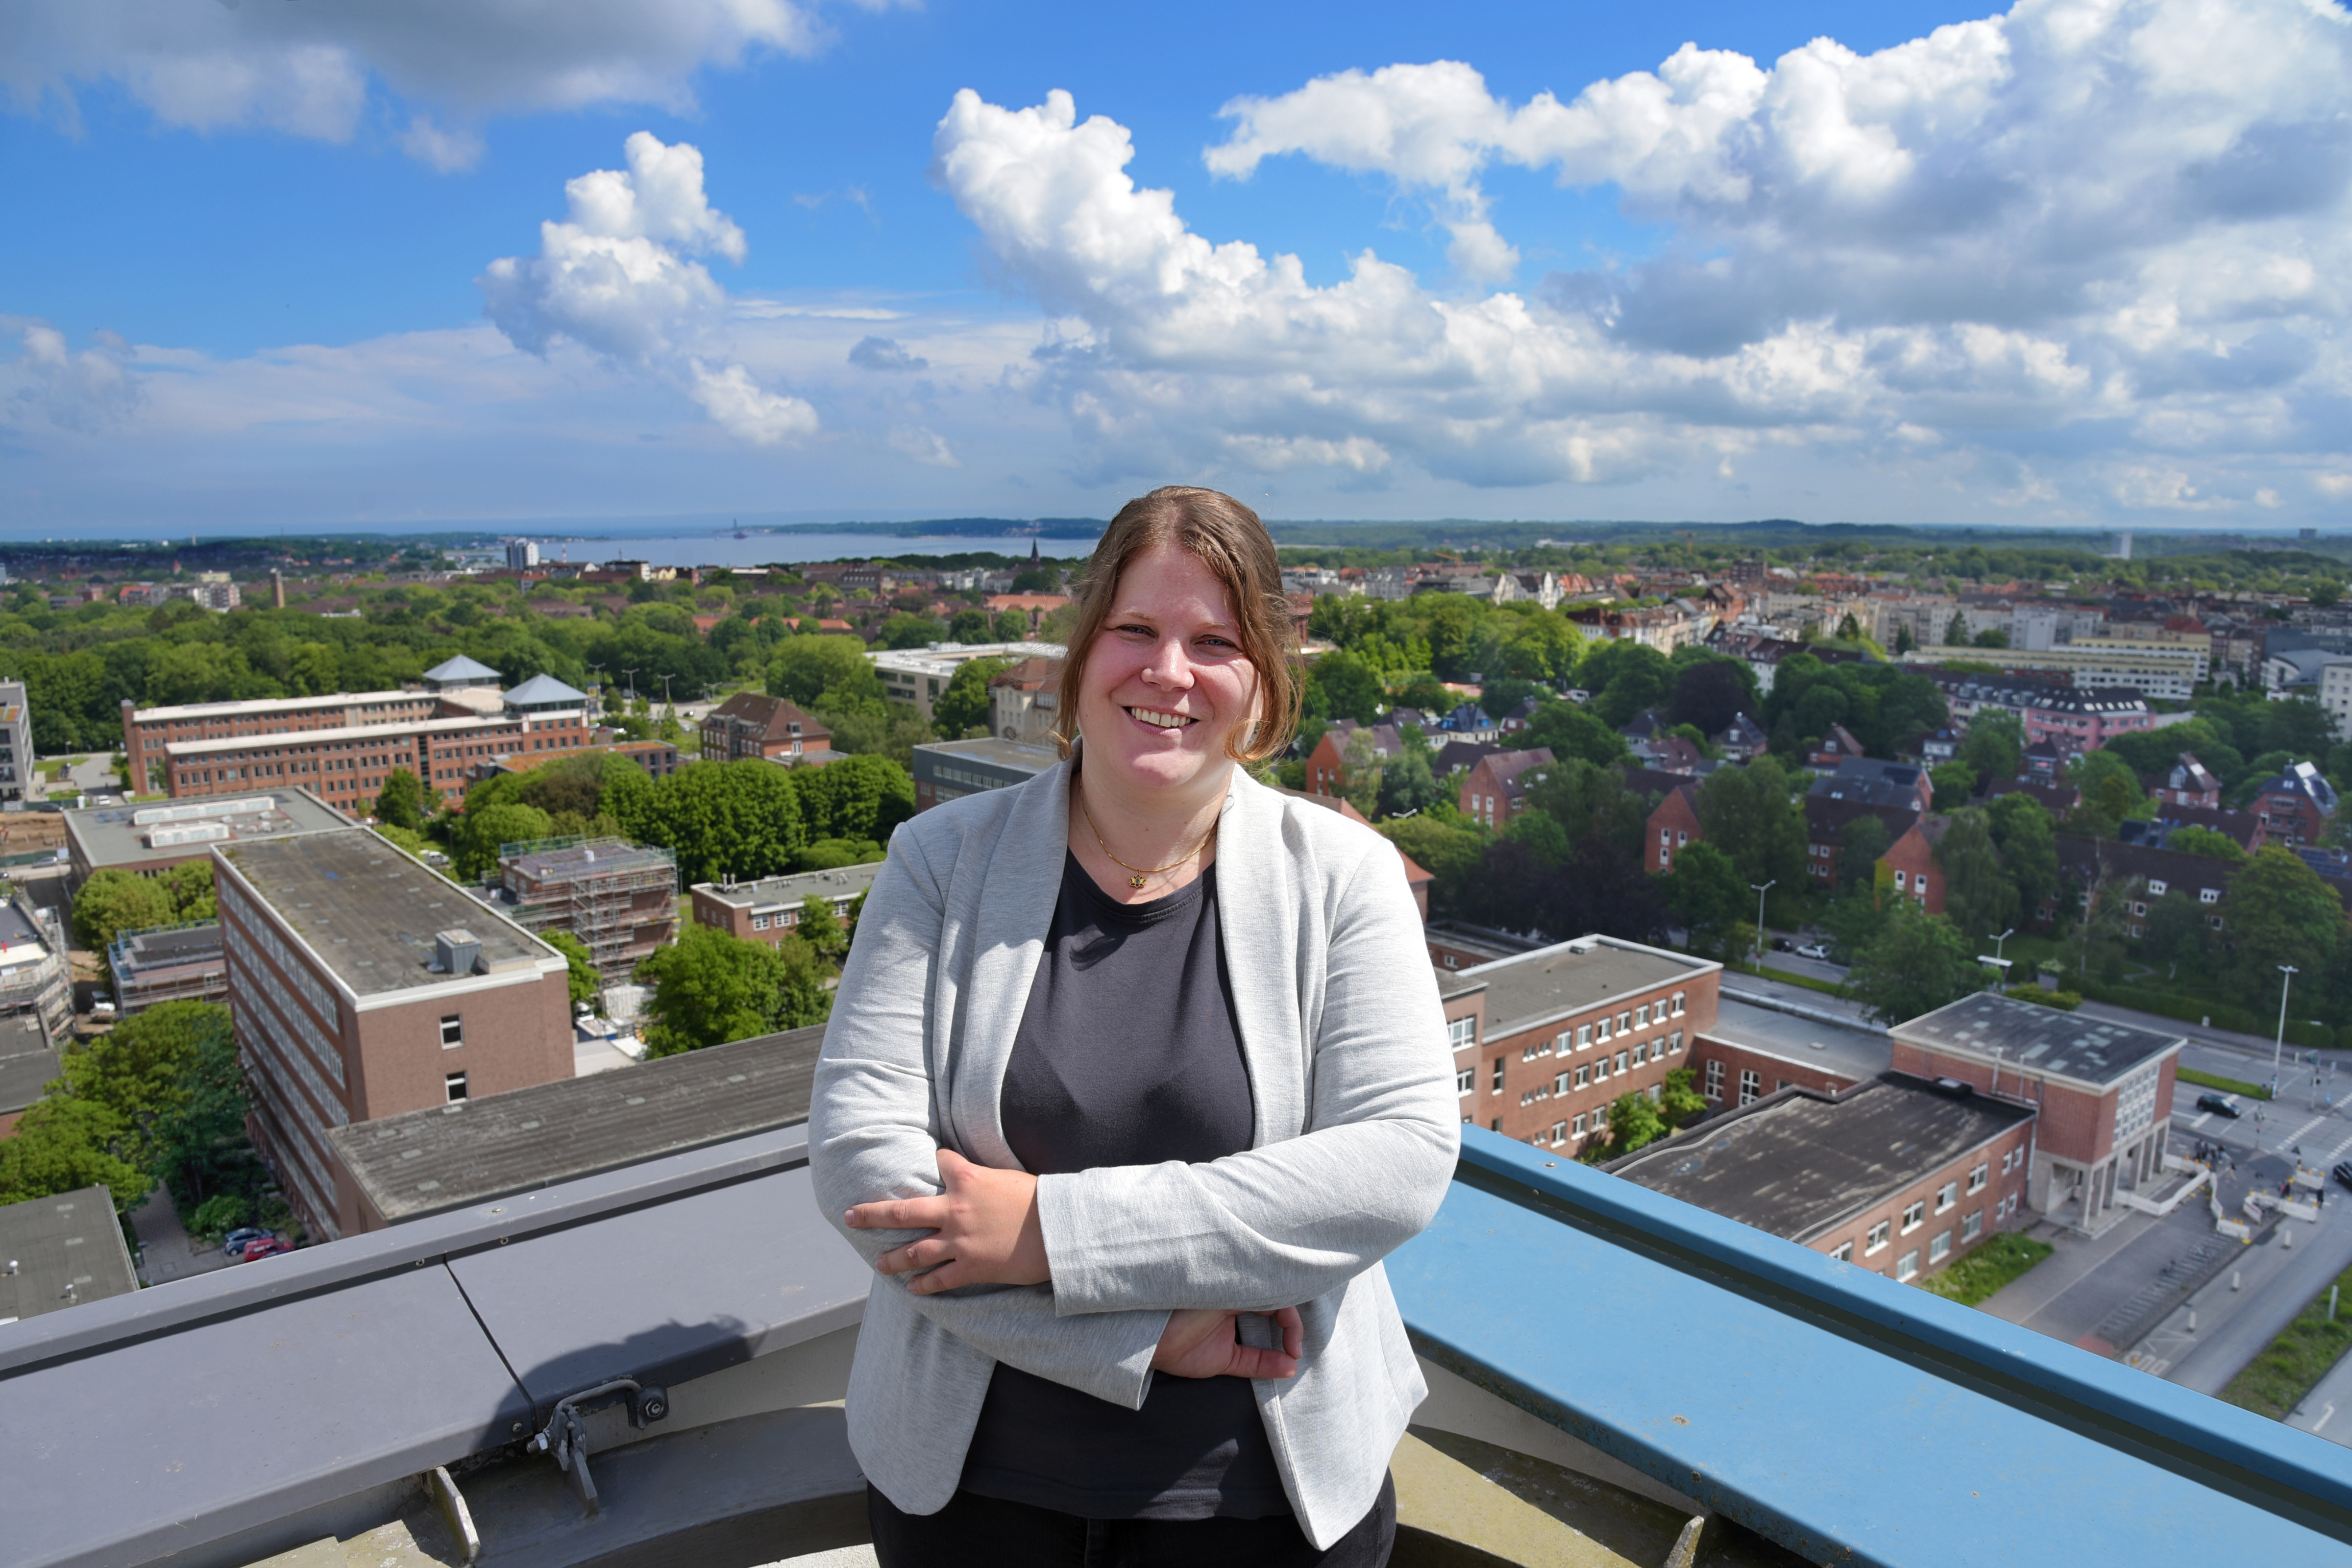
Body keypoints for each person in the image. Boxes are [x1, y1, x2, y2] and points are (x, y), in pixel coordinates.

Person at [809, 486, 1459, 1567]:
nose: (1169, 671)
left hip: (1266, 1507)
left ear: (1263, 682)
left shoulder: (1347, 876)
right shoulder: (940, 862)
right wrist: (1140, 1332)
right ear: (1083, 653)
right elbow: (860, 1165)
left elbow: (1397, 1164)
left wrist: (1047, 1233)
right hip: (974, 1501)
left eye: (1215, 642)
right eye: (1136, 629)